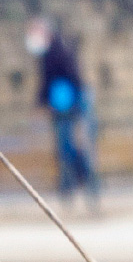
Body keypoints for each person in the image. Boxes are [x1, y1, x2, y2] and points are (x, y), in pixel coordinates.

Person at [26, 17, 97, 206]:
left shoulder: (59, 50)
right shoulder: (48, 53)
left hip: (72, 106)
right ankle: (70, 189)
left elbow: (73, 78)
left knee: (76, 148)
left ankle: (85, 187)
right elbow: (46, 82)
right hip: (62, 107)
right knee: (65, 149)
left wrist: (76, 105)